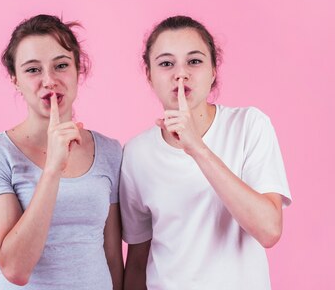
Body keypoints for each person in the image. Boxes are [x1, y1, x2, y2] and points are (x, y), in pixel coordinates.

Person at [120, 15, 292, 290]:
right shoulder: (136, 153)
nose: (181, 74)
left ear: (213, 71)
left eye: (195, 61)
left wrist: (197, 148)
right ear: (149, 75)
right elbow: (138, 259)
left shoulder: (249, 125)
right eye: (166, 64)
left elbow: (269, 230)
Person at [0, 14, 123, 289]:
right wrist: (53, 167)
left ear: (79, 71)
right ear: (15, 79)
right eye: (32, 70)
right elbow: (15, 268)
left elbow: (113, 258)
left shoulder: (110, 151)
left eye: (61, 65)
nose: (49, 80)